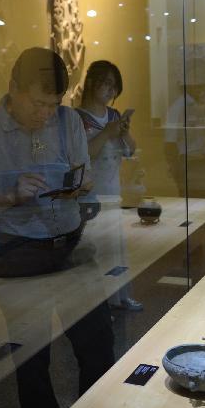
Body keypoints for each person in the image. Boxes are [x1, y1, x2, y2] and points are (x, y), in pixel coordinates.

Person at [0, 47, 115, 408]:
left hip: (70, 241)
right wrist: (8, 196)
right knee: (31, 352)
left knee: (97, 338)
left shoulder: (69, 122)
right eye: (38, 103)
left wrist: (79, 187)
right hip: (16, 249)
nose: (46, 113)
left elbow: (84, 169)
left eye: (54, 104)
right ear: (13, 89)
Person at [76, 60, 143, 312]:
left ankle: (120, 295)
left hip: (113, 189)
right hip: (89, 194)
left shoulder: (113, 115)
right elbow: (81, 156)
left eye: (114, 87)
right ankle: (99, 305)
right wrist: (107, 133)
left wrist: (123, 132)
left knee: (116, 245)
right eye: (106, 84)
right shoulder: (77, 118)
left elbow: (130, 149)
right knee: (95, 249)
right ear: (91, 83)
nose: (110, 91)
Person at [164, 58, 205, 199]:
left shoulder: (195, 106)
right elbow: (170, 143)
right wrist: (177, 172)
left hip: (201, 162)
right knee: (195, 205)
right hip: (189, 164)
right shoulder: (179, 108)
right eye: (202, 83)